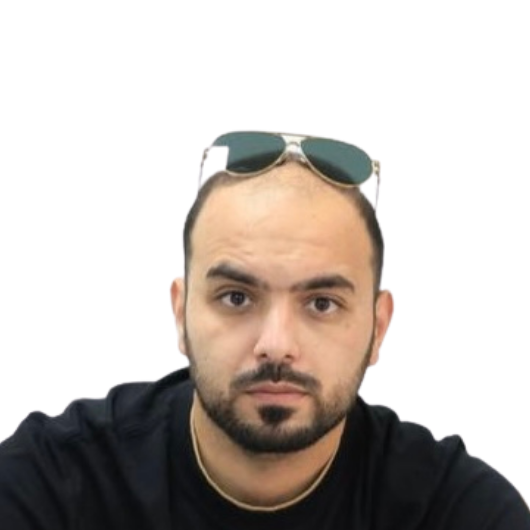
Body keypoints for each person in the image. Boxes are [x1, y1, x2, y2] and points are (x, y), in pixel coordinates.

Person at [0, 131, 529, 529]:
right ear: (181, 315)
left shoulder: (456, 511)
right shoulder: (52, 484)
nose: (276, 345)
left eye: (321, 303)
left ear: (378, 327)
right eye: (236, 297)